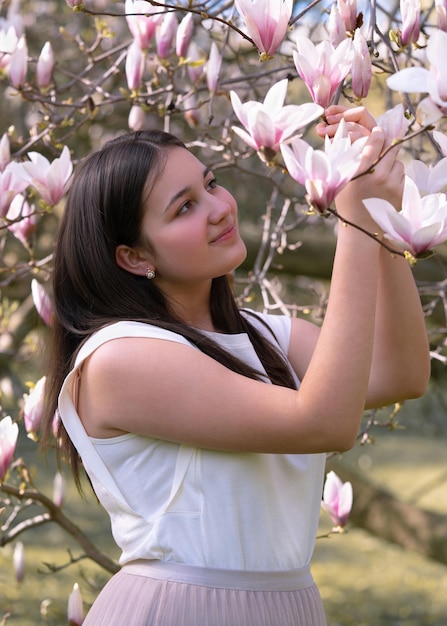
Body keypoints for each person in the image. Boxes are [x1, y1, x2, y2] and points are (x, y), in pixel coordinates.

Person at [42, 104, 430, 626]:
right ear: (134, 257)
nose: (220, 208)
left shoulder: (266, 337)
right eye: (184, 207)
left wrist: (380, 218)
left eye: (211, 184)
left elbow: (402, 371)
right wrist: (354, 218)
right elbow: (325, 422)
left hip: (289, 607)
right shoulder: (119, 358)